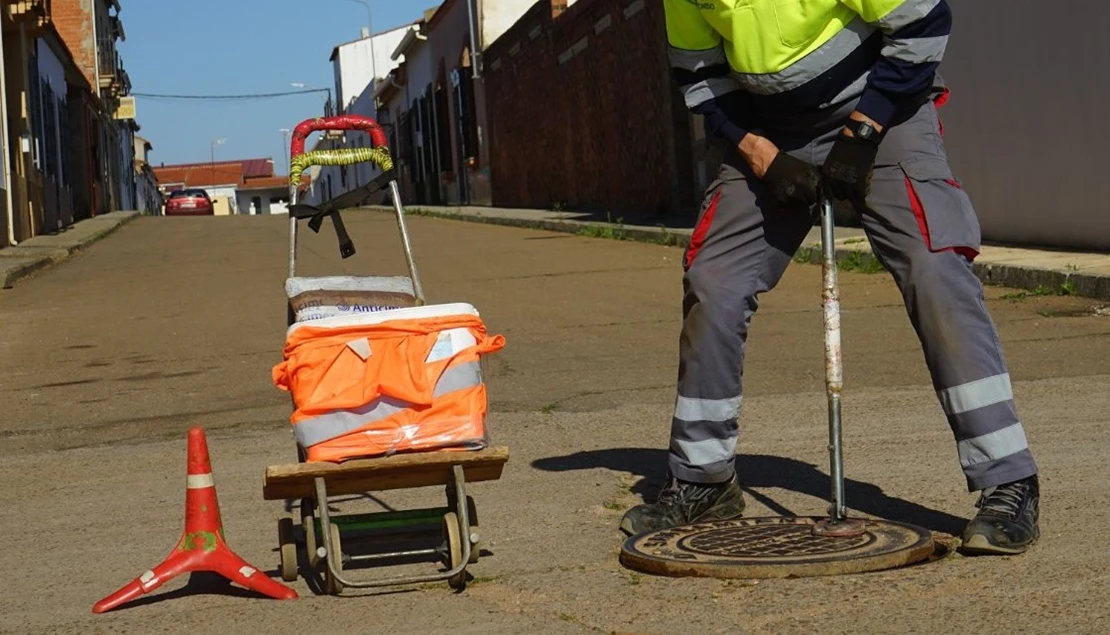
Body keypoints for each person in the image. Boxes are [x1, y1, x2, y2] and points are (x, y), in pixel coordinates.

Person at [620, 0, 1040, 555]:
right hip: (768, 136)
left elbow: (923, 24)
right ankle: (703, 480)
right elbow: (700, 77)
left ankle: (1008, 480)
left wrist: (863, 131)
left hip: (883, 109)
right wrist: (759, 152)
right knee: (713, 281)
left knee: (934, 269)